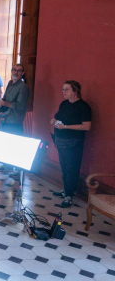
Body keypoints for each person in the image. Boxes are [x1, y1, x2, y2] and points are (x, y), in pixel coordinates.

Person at [50, 80, 92, 208]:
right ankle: (66, 190)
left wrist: (66, 127)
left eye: (66, 89)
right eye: (63, 89)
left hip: (74, 142)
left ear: (75, 91)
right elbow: (57, 118)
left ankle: (69, 195)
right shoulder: (64, 104)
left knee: (72, 168)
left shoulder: (83, 106)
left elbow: (87, 126)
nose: (63, 92)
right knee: (64, 166)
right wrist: (54, 121)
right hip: (61, 141)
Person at [0, 64, 29, 175]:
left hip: (15, 120)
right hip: (6, 118)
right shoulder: (10, 83)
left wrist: (4, 103)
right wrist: (1, 105)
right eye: (14, 70)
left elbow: (19, 106)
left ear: (22, 73)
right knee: (6, 143)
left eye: (19, 71)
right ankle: (7, 166)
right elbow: (5, 98)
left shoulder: (23, 87)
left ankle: (18, 171)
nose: (16, 72)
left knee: (15, 145)